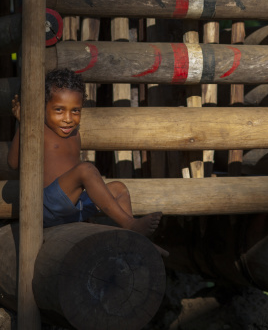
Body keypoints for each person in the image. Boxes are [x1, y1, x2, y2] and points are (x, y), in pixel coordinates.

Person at [7, 68, 164, 241]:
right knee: (86, 170)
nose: (68, 118)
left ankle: (135, 240)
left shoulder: (75, 134)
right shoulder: (38, 129)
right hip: (46, 208)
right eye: (59, 110)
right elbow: (13, 163)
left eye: (75, 111)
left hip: (73, 207)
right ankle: (130, 224)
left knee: (119, 189)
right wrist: (23, 125)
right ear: (43, 108)